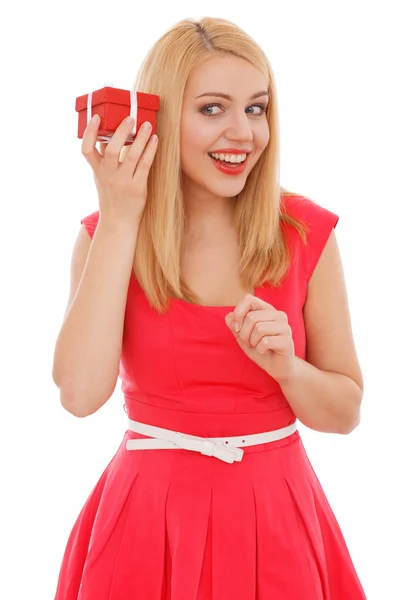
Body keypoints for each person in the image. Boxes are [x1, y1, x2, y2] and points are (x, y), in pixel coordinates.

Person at [52, 16, 366, 600]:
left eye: (256, 108)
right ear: (159, 118)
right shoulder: (108, 235)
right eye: (213, 109)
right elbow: (78, 395)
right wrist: (121, 217)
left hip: (276, 517)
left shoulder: (305, 232)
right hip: (147, 519)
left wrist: (288, 369)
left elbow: (344, 412)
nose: (243, 133)